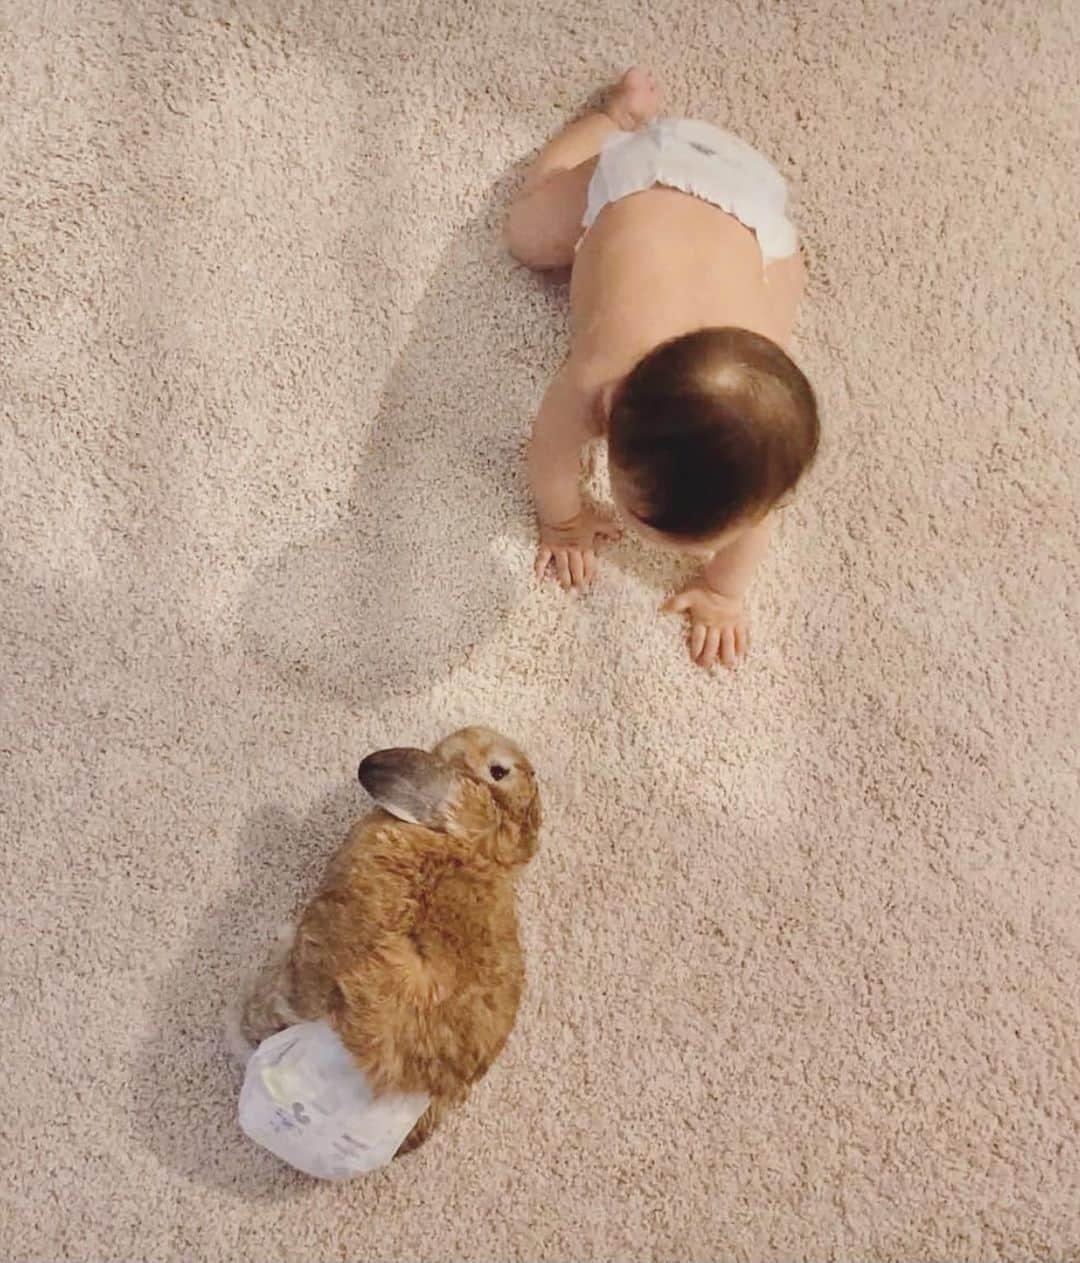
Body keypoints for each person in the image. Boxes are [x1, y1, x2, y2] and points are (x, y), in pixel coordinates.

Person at [506, 69, 819, 669]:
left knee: (773, 313)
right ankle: (614, 123)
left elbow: (756, 519)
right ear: (612, 416)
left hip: (755, 208)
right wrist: (564, 522)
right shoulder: (598, 374)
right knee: (526, 235)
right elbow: (548, 448)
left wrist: (724, 592)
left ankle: (767, 254)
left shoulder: (762, 440)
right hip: (647, 173)